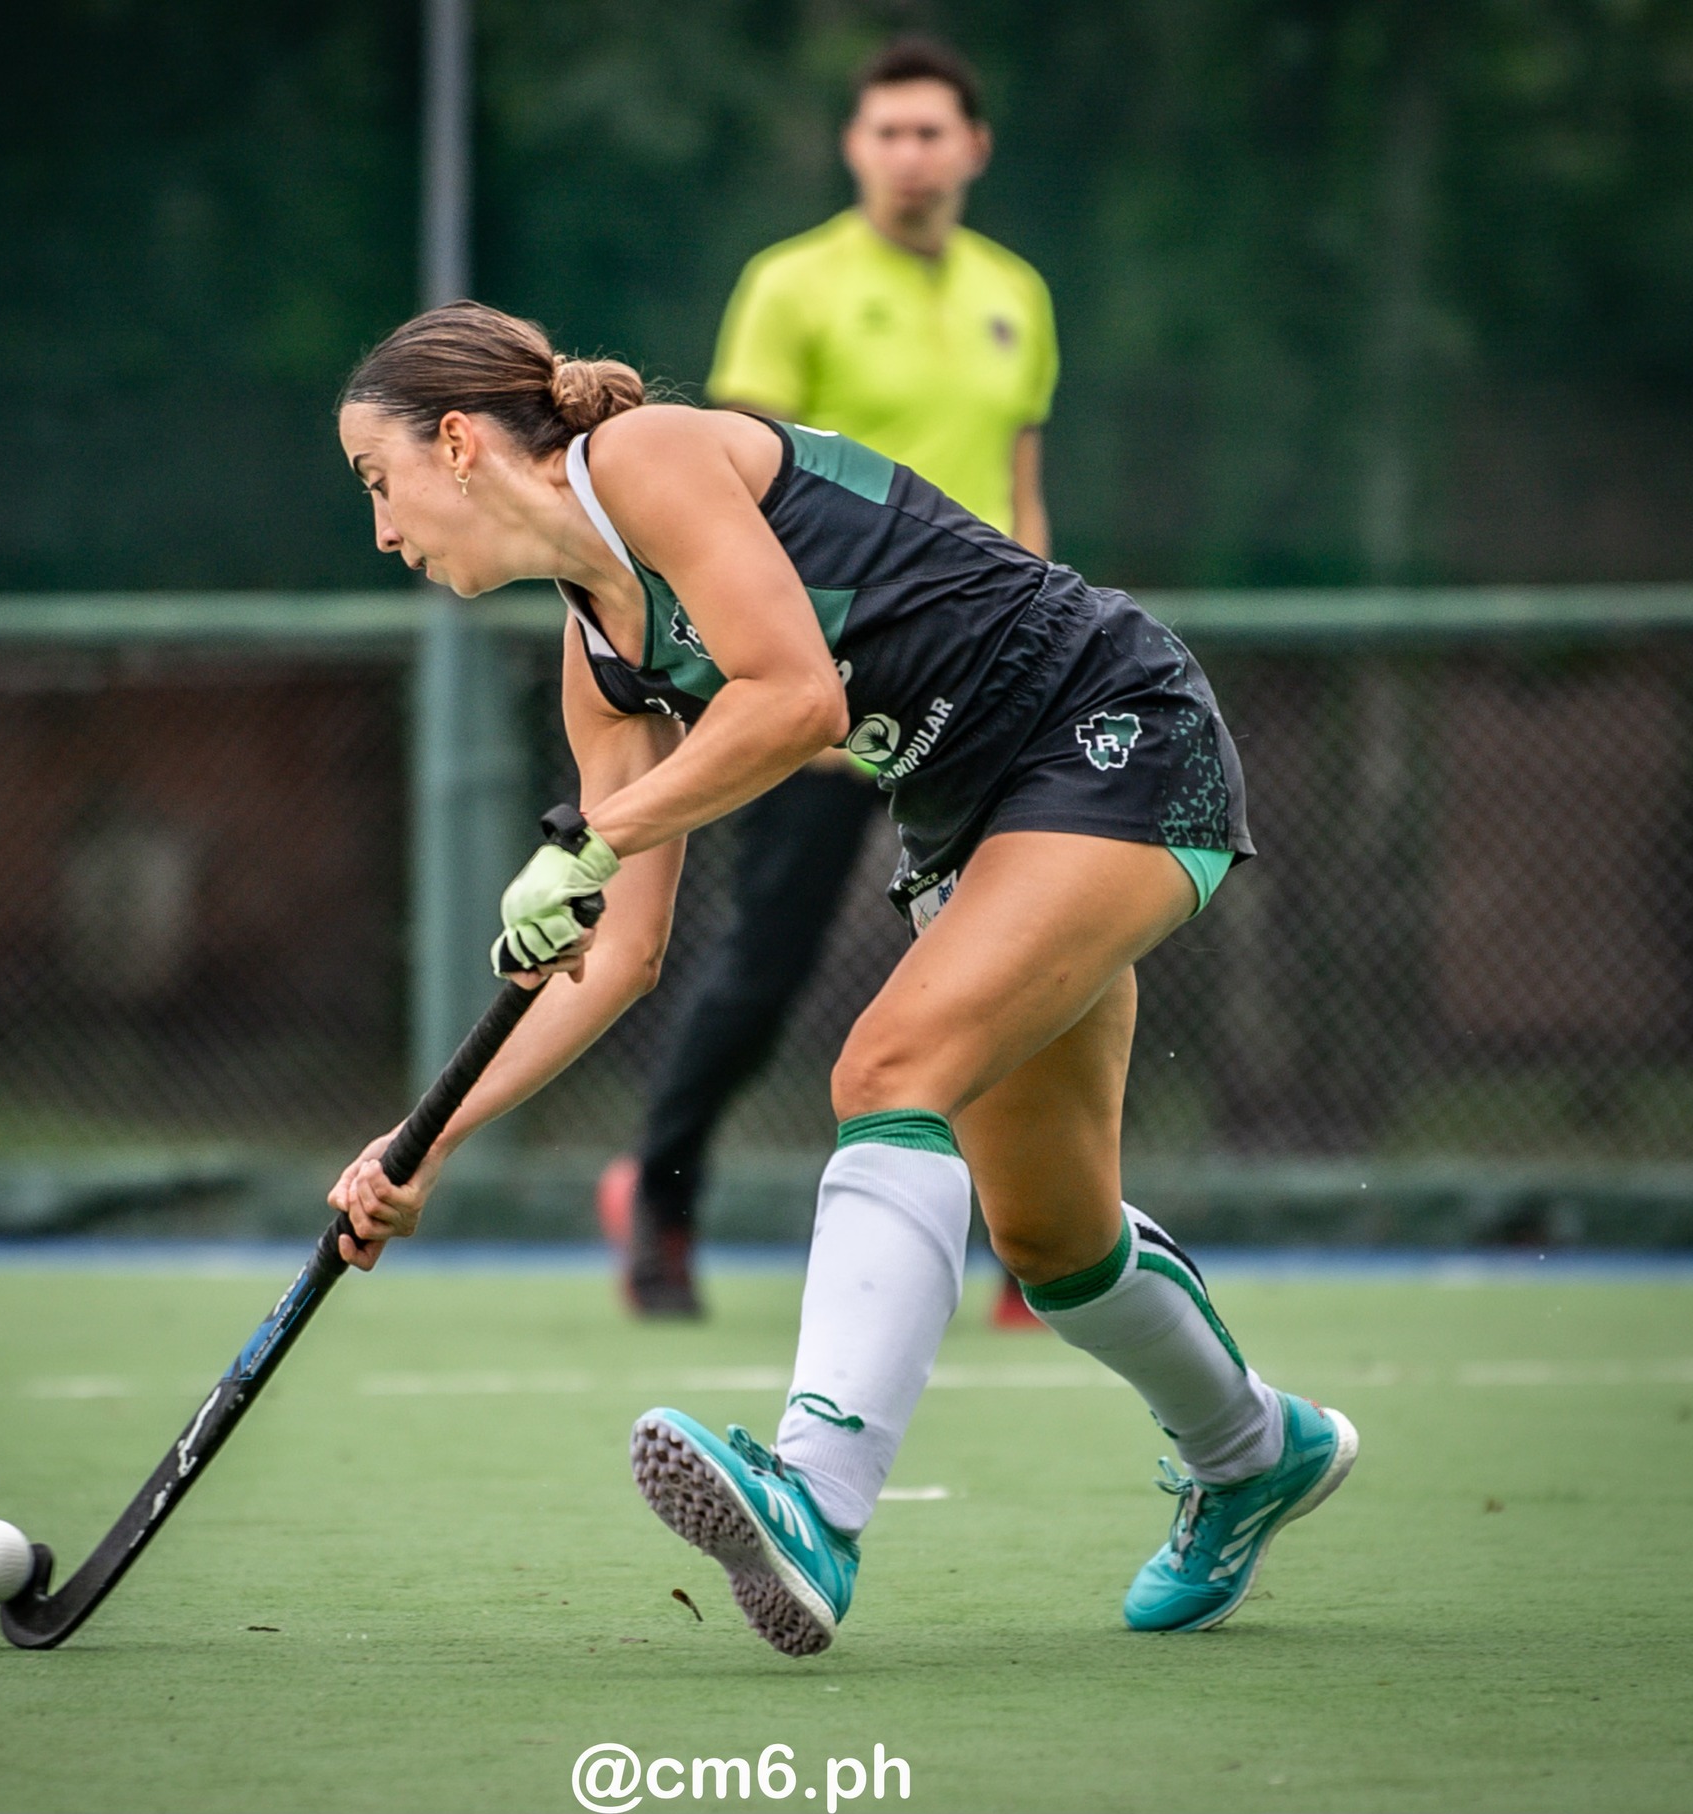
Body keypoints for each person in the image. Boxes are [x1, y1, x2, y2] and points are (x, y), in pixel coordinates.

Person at [328, 302, 1358, 1658]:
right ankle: (1254, 1450)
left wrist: (593, 838)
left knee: (885, 1069)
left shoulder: (644, 458)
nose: (382, 529)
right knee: (1052, 1236)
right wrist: (424, 1139)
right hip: (964, 818)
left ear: (458, 443)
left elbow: (796, 697)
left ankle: (813, 1498)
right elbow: (621, 954)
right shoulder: (600, 660)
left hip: (1109, 728)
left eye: (377, 479)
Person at [602, 36, 1059, 1323]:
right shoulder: (789, 284)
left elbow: (1021, 492)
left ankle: (1035, 1245)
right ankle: (660, 1214)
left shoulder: (1016, 293)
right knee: (764, 968)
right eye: (886, 132)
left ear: (972, 148)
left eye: (930, 132)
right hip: (822, 689)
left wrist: (1044, 644)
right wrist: (788, 689)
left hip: (986, 689)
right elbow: (728, 495)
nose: (908, 154)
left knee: (1022, 965)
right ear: (855, 147)